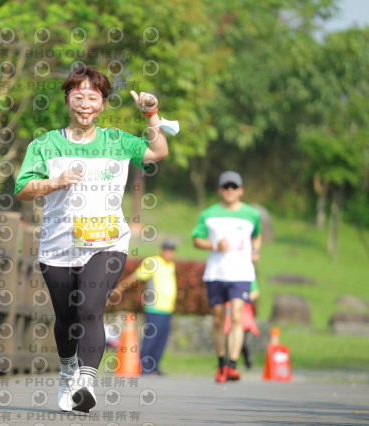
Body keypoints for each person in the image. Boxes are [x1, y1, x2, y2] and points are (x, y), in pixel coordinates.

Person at [15, 65, 174, 413]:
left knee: (89, 308)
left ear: (102, 104)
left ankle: (86, 382)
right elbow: (23, 189)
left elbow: (158, 151)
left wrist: (151, 114)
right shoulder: (45, 144)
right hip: (57, 246)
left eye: (93, 97)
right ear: (67, 101)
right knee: (66, 317)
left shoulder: (117, 141)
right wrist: (54, 182)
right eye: (78, 97)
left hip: (107, 243)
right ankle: (67, 372)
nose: (85, 104)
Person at [191, 170, 261, 383]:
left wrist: (255, 251)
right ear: (220, 190)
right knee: (219, 319)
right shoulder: (208, 214)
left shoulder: (252, 214)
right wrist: (214, 245)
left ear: (241, 190)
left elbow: (256, 236)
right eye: (226, 187)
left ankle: (232, 365)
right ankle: (221, 363)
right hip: (216, 273)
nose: (230, 190)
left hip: (241, 273)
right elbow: (196, 239)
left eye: (234, 187)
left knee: (237, 316)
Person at [116, 240, 177, 375]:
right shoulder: (153, 262)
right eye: (168, 251)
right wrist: (120, 288)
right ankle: (144, 366)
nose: (170, 254)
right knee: (152, 337)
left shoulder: (171, 265)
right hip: (155, 307)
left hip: (168, 308)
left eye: (172, 251)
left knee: (162, 339)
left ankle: (154, 366)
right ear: (162, 251)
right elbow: (136, 277)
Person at [225, 279, 260, 369]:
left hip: (244, 316)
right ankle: (231, 363)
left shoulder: (248, 277)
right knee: (230, 338)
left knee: (243, 342)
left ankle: (246, 360)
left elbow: (255, 292)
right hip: (230, 315)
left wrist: (242, 298)